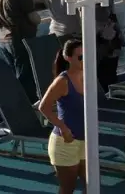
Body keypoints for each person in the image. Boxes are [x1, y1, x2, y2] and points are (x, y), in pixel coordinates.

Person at [37, 39, 86, 194]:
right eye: (80, 57)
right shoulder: (62, 81)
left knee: (92, 185)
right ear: (68, 58)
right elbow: (43, 107)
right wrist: (63, 128)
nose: (84, 60)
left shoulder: (87, 76)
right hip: (66, 143)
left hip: (86, 141)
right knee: (67, 189)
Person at [0, 0, 41, 102]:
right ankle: (26, 110)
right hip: (20, 39)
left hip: (4, 37)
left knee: (15, 76)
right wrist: (38, 20)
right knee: (25, 78)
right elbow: (34, 17)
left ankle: (14, 106)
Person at [95, 0, 125, 93]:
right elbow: (111, 11)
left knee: (102, 72)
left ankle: (105, 95)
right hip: (110, 33)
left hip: (102, 36)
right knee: (109, 73)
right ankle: (109, 94)